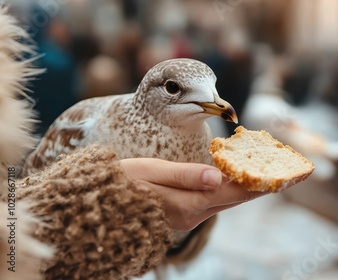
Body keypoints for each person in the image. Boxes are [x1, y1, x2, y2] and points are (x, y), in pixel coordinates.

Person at [0, 8, 266, 280]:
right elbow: (19, 217)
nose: (217, 103)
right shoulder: (87, 124)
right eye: (174, 89)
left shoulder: (207, 136)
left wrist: (185, 237)